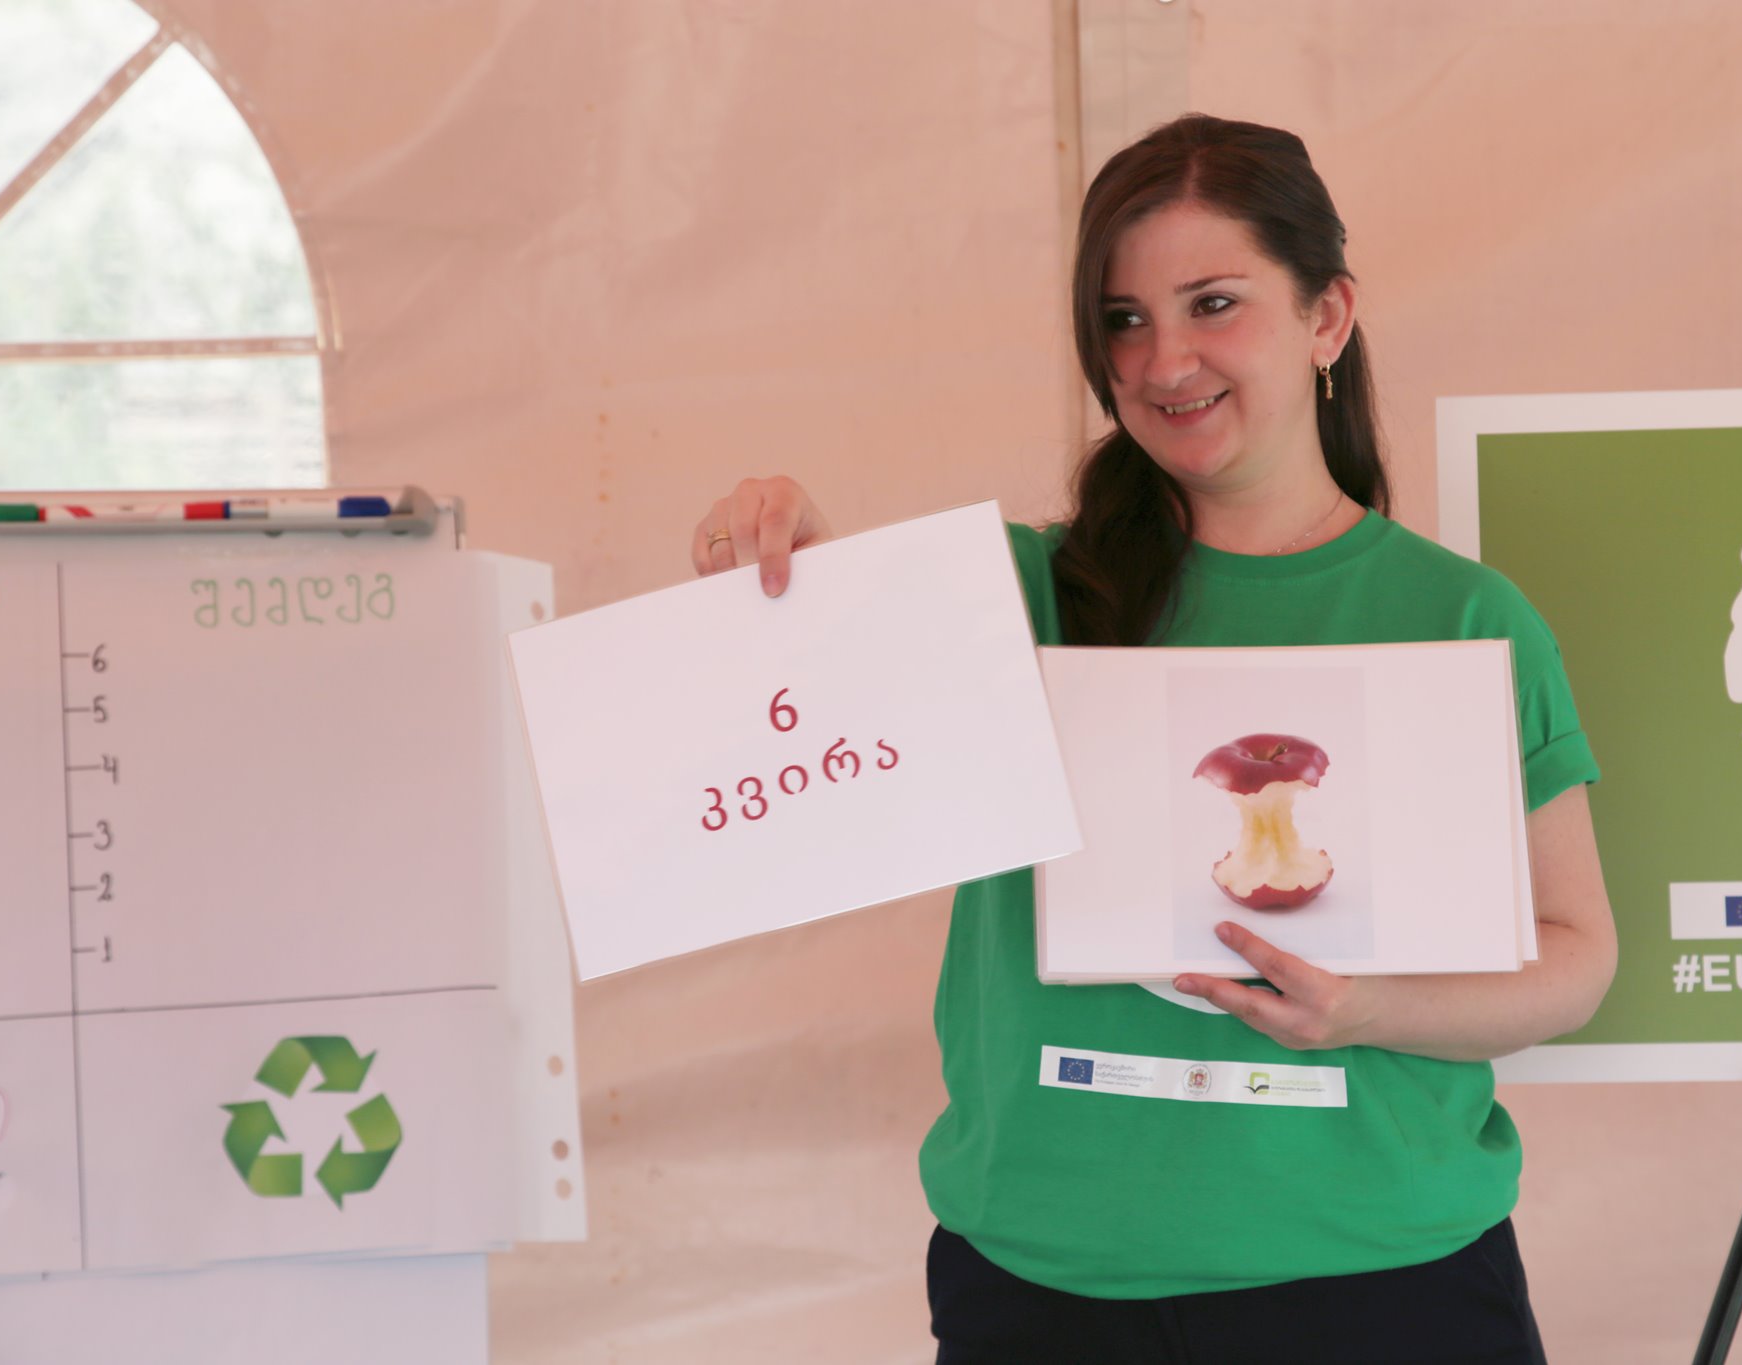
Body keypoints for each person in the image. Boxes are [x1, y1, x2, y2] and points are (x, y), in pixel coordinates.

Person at [691, 114, 1615, 1364]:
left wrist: (1361, 1008)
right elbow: (807, 721)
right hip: (1045, 1286)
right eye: (1121, 320)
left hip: (1382, 1280)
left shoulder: (1461, 618)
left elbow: (1573, 956)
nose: (1162, 360)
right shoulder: (1012, 595)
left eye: (1212, 305)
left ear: (1327, 318)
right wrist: (792, 560)